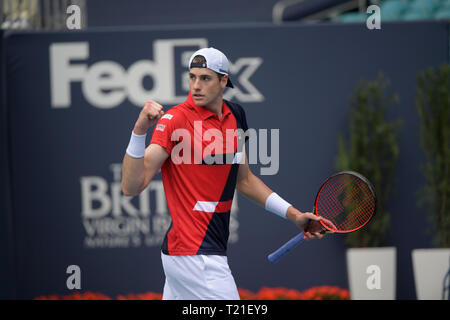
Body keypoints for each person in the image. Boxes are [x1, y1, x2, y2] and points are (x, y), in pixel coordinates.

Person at [121, 47, 330, 300]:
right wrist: (140, 129)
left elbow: (244, 180)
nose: (196, 85)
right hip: (195, 256)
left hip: (195, 253)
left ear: (223, 81)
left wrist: (296, 215)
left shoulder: (236, 115)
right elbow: (131, 186)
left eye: (205, 78)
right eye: (192, 77)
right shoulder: (174, 119)